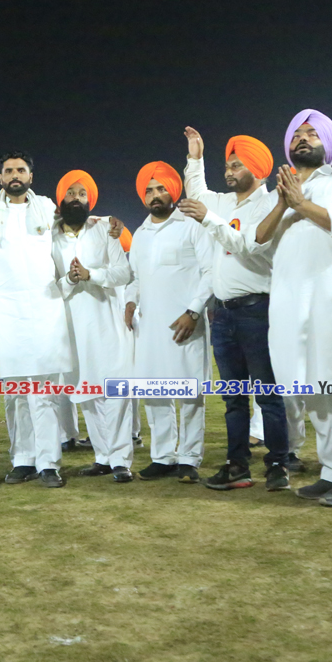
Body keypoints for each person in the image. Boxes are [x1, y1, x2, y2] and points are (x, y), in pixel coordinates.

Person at [255, 109, 332, 507]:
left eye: (312, 133)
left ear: (328, 143)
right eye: (296, 134)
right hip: (289, 303)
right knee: (310, 389)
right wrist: (284, 204)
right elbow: (258, 243)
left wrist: (301, 205)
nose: (303, 138)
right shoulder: (280, 194)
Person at [177, 129, 292, 492]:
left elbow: (247, 245)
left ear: (257, 168)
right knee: (233, 397)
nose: (228, 172)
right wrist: (195, 157)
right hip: (223, 314)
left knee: (268, 394)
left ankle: (278, 464)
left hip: (258, 311)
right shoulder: (224, 203)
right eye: (227, 165)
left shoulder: (271, 204)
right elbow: (196, 193)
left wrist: (209, 220)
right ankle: (238, 464)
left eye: (236, 165)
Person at [0, 151, 73, 488]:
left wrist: (105, 223)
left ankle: (49, 463)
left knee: (43, 391)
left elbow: (76, 220)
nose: (15, 175)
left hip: (44, 308)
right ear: (0, 177)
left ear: (31, 176)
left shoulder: (47, 207)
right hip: (5, 311)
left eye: (21, 170)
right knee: (14, 393)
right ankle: (23, 460)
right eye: (9, 170)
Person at [125, 161, 214, 483]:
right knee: (155, 393)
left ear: (173, 191)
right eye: (149, 190)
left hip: (185, 326)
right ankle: (163, 457)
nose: (155, 195)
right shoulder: (140, 234)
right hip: (149, 328)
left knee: (190, 395)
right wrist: (130, 301)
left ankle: (189, 458)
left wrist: (194, 312)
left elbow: (211, 271)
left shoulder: (191, 225)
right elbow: (135, 277)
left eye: (161, 188)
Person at [51, 170, 136, 483]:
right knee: (85, 393)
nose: (77, 198)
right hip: (72, 326)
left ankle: (121, 460)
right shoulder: (49, 237)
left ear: (90, 200)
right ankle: (103, 457)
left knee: (115, 391)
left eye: (82, 194)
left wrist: (92, 275)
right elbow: (49, 285)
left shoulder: (104, 229)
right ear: (61, 198)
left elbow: (123, 273)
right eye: (71, 193)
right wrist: (70, 279)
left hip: (108, 321)